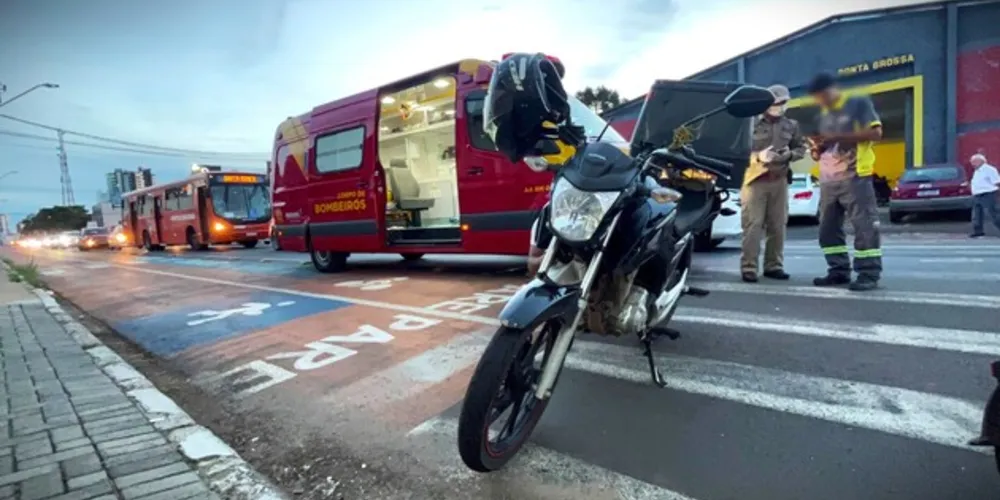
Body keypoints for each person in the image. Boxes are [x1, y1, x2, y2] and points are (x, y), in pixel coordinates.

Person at [807, 72, 884, 291]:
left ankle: (868, 273)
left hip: (855, 175)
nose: (820, 101)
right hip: (828, 179)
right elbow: (824, 148)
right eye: (817, 98)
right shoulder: (823, 115)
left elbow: (876, 133)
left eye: (822, 95)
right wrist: (817, 148)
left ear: (832, 89)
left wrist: (837, 137)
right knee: (827, 229)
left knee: (864, 226)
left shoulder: (857, 103)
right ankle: (838, 271)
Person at [739, 84, 806, 283]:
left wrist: (790, 155)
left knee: (778, 226)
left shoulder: (791, 125)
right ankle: (749, 267)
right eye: (776, 102)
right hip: (754, 180)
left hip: (779, 180)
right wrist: (759, 156)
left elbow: (801, 148)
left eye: (783, 102)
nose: (780, 106)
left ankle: (773, 266)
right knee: (753, 225)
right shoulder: (750, 123)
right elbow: (738, 152)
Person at [969, 153, 1000, 237]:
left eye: (973, 162)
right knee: (977, 215)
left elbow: (997, 182)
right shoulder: (977, 171)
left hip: (989, 194)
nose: (972, 164)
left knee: (994, 214)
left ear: (980, 161)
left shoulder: (990, 170)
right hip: (977, 195)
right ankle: (978, 232)